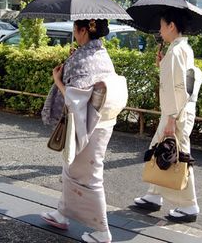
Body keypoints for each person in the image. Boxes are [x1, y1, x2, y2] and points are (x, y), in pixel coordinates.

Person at [41, 19, 127, 243]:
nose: (74, 34)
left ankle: (102, 231)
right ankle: (62, 213)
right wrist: (73, 59)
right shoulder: (100, 53)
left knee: (90, 176)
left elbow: (74, 97)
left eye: (75, 30)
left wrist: (58, 79)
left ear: (82, 31)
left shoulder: (81, 58)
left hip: (88, 123)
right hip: (102, 121)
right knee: (71, 168)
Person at [134, 9, 201, 223]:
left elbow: (177, 88)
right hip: (180, 110)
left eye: (162, 26)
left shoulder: (176, 51)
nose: (160, 31)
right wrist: (163, 64)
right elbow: (181, 81)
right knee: (160, 148)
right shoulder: (182, 48)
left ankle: (189, 205)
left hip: (176, 112)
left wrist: (171, 117)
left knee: (178, 155)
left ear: (172, 26)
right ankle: (154, 194)